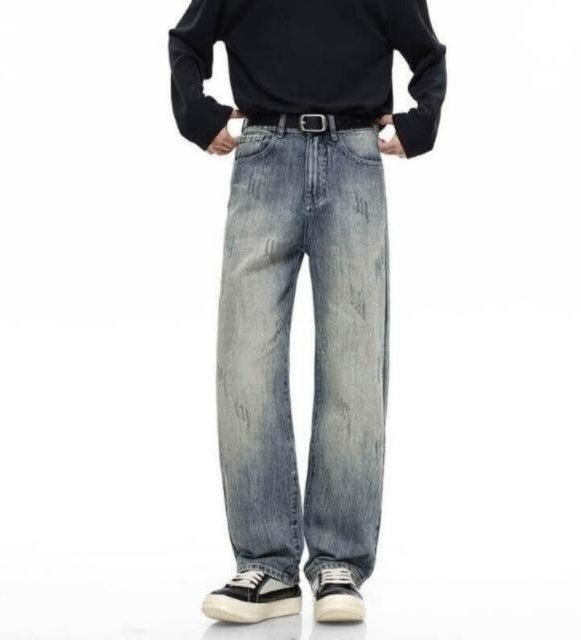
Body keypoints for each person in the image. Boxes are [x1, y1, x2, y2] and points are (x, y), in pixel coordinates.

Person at [169, 0, 446, 624]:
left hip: (354, 157)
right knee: (245, 363)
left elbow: (429, 55)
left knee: (354, 363)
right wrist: (196, 114)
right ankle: (267, 566)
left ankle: (338, 563)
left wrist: (422, 123)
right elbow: (186, 41)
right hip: (264, 155)